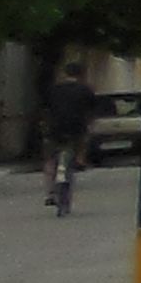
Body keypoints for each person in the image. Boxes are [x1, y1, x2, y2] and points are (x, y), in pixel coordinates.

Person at [43, 67, 97, 215]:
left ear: (65, 74)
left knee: (51, 157)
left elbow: (45, 110)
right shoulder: (85, 89)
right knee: (83, 139)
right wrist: (88, 124)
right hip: (76, 128)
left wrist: (46, 126)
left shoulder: (54, 89)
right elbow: (92, 110)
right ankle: (80, 159)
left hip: (56, 128)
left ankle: (51, 190)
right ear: (81, 75)